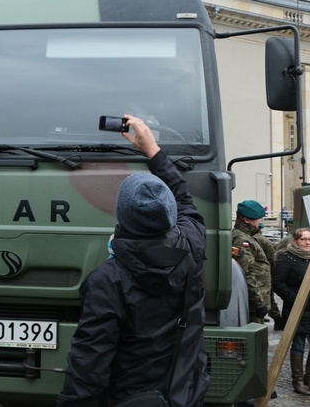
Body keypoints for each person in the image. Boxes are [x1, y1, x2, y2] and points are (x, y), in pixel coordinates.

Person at [57, 115, 209, 407]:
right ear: (170, 215)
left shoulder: (108, 281)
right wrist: (154, 151)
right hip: (185, 394)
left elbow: (89, 367)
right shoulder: (193, 247)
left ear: (120, 215)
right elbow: (186, 201)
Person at [272, 228, 310, 396]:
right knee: (298, 346)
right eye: (303, 239)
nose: (307, 242)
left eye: (309, 239)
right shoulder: (287, 259)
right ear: (295, 241)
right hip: (297, 309)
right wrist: (296, 298)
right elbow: (277, 283)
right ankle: (297, 381)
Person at [232, 201, 271, 324]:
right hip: (252, 305)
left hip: (255, 301)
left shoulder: (248, 237)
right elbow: (247, 274)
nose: (260, 222)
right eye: (258, 219)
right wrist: (259, 304)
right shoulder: (241, 240)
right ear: (246, 220)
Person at [254, 225, 282, 330]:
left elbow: (272, 258)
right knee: (268, 299)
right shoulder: (263, 240)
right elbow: (273, 259)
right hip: (263, 277)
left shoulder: (262, 240)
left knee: (267, 300)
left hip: (262, 277)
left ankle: (276, 318)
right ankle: (276, 318)